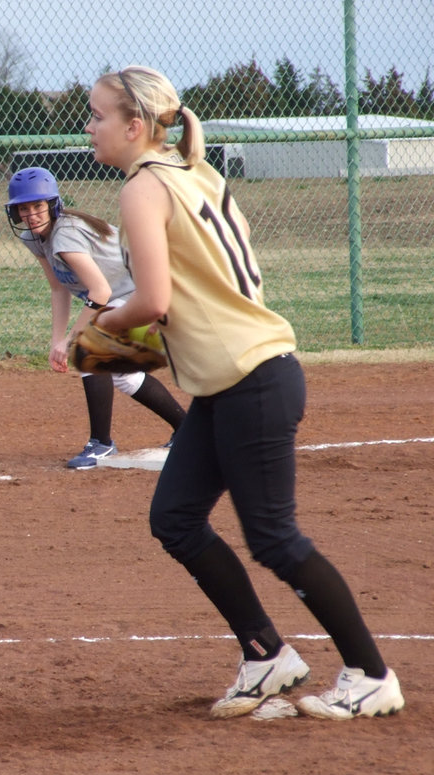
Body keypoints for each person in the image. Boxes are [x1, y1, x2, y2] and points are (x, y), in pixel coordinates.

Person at [85, 65, 403, 719]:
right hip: (233, 379)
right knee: (174, 517)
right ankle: (266, 656)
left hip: (252, 378)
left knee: (275, 538)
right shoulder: (193, 170)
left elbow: (153, 300)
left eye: (98, 116)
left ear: (134, 126)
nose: (89, 127)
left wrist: (100, 326)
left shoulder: (144, 187)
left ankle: (372, 675)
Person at [5, 166, 184, 468]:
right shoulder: (34, 238)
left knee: (90, 349)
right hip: (126, 294)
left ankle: (101, 443)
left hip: (148, 289)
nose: (31, 214)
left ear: (52, 205)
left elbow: (99, 291)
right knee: (123, 376)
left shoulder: (65, 235)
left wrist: (73, 338)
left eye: (38, 206)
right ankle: (188, 428)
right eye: (24, 208)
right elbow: (58, 287)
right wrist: (56, 340)